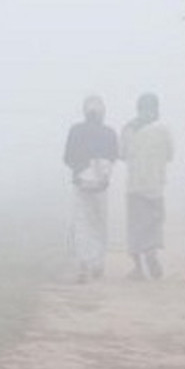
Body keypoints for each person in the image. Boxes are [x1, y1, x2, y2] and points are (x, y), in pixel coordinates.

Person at [63, 95, 118, 284]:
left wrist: (81, 170)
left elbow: (67, 158)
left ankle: (83, 263)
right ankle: (98, 262)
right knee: (99, 223)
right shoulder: (109, 133)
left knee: (82, 224)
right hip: (101, 186)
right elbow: (113, 157)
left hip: (81, 184)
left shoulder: (75, 131)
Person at [121, 93, 174, 280]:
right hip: (156, 186)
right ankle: (151, 253)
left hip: (135, 186)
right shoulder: (163, 130)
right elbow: (170, 155)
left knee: (136, 227)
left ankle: (138, 268)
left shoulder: (129, 129)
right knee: (153, 223)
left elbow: (123, 154)